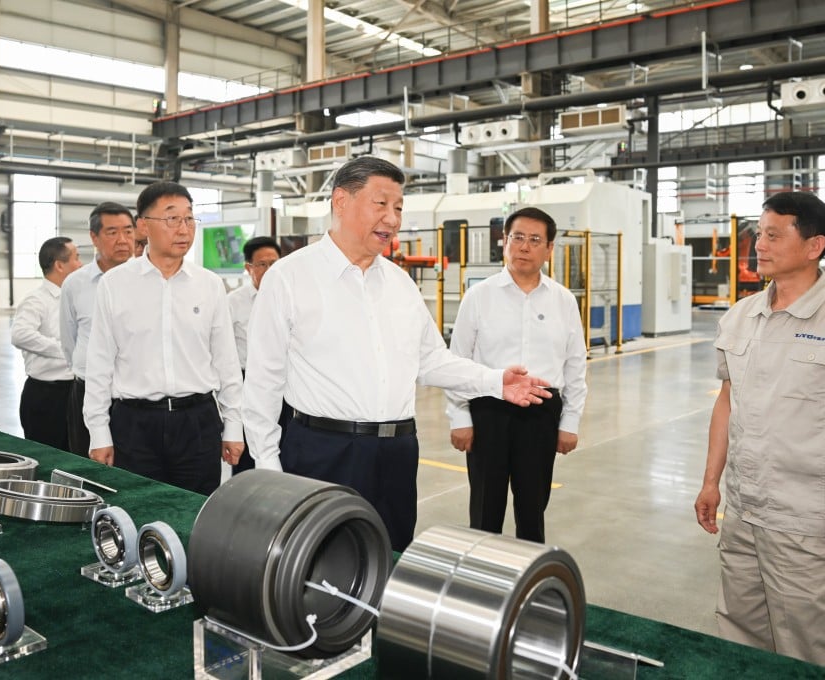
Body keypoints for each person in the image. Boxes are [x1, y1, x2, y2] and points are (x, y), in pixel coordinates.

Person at [242, 156, 555, 552]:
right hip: (324, 451)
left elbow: (430, 360)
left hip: (397, 452)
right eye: (381, 204)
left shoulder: (399, 284)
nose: (392, 219)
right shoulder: (289, 278)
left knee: (388, 558)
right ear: (340, 201)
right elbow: (263, 382)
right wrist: (269, 469)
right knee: (319, 563)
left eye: (399, 208)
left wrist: (495, 381)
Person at [694, 191, 825, 675]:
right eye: (760, 233)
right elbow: (727, 401)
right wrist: (712, 481)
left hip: (810, 527)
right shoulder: (742, 315)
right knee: (741, 645)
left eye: (774, 235)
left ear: (814, 245)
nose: (759, 244)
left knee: (818, 656)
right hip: (745, 515)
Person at [83, 181, 243, 495]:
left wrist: (234, 425)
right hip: (134, 424)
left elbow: (226, 360)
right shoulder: (116, 284)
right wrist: (99, 432)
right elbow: (99, 362)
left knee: (196, 512)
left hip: (197, 421)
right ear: (143, 225)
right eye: (172, 219)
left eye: (189, 218)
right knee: (136, 512)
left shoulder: (209, 285)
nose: (184, 229)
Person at [446, 207, 587, 544]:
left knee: (532, 507)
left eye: (535, 240)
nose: (524, 246)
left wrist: (570, 423)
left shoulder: (564, 301)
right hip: (489, 409)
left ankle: (528, 583)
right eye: (517, 238)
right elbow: (458, 360)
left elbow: (575, 366)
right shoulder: (479, 297)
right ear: (504, 242)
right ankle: (482, 583)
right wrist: (459, 417)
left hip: (541, 413)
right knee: (485, 508)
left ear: (549, 249)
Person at [59, 202, 135, 455]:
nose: (123, 240)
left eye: (128, 231)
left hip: (134, 396)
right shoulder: (75, 283)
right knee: (89, 466)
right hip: (87, 389)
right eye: (112, 232)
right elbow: (69, 339)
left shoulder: (148, 281)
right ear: (94, 237)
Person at [11, 236, 82, 450]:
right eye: (76, 258)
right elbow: (20, 334)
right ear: (60, 265)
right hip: (47, 396)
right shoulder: (37, 300)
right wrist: (66, 350)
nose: (81, 264)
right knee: (47, 456)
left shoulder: (74, 297)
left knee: (77, 455)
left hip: (75, 391)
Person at [227, 235, 281, 473]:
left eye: (274, 263)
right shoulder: (233, 303)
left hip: (284, 387)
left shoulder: (287, 298)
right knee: (249, 457)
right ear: (248, 267)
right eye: (262, 265)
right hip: (246, 385)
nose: (270, 270)